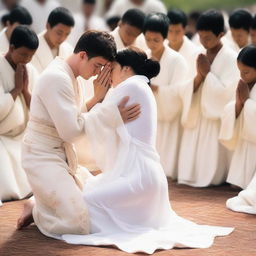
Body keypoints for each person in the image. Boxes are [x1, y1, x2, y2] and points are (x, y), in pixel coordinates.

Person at [60, 47, 233, 253]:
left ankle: (37, 210)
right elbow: (105, 119)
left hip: (139, 179)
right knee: (89, 188)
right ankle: (39, 208)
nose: (108, 75)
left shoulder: (131, 86)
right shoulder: (140, 86)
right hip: (142, 176)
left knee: (85, 201)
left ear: (125, 69)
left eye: (112, 68)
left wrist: (98, 95)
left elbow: (93, 121)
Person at [17, 31, 141, 238]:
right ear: (83, 55)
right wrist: (111, 114)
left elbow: (73, 118)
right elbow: (71, 131)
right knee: (77, 221)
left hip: (61, 154)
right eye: (98, 66)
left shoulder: (69, 74)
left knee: (95, 203)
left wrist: (97, 99)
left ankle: (39, 201)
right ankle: (38, 208)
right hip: (41, 156)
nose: (97, 73)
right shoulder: (56, 77)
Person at [177, 10, 240, 187]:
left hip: (215, 119)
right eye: (201, 37)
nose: (203, 42)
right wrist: (198, 79)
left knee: (212, 161)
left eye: (208, 38)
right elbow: (184, 86)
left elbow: (229, 92)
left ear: (221, 34)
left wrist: (208, 75)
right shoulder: (198, 54)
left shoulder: (231, 58)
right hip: (197, 114)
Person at [143, 12, 188, 178]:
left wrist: (157, 89)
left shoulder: (177, 60)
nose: (151, 44)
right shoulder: (143, 57)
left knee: (165, 168)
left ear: (165, 37)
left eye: (156, 40)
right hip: (148, 116)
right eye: (148, 39)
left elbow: (179, 92)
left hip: (169, 118)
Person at [0, 25, 38, 206]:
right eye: (23, 54)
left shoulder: (30, 69)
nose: (27, 60)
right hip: (1, 136)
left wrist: (25, 90)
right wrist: (15, 89)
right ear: (12, 48)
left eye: (31, 56)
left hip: (23, 134)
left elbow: (38, 108)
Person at [220, 45, 256, 192]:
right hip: (245, 139)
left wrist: (246, 102)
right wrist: (238, 105)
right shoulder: (242, 82)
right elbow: (230, 105)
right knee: (238, 185)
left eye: (246, 72)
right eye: (240, 71)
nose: (242, 76)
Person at [31, 7, 74, 73]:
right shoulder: (31, 48)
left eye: (67, 34)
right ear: (48, 26)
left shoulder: (69, 50)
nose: (62, 38)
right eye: (59, 33)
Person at [167, 8, 200, 78]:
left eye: (177, 31)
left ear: (185, 29)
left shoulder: (194, 52)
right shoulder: (159, 46)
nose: (173, 35)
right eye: (170, 31)